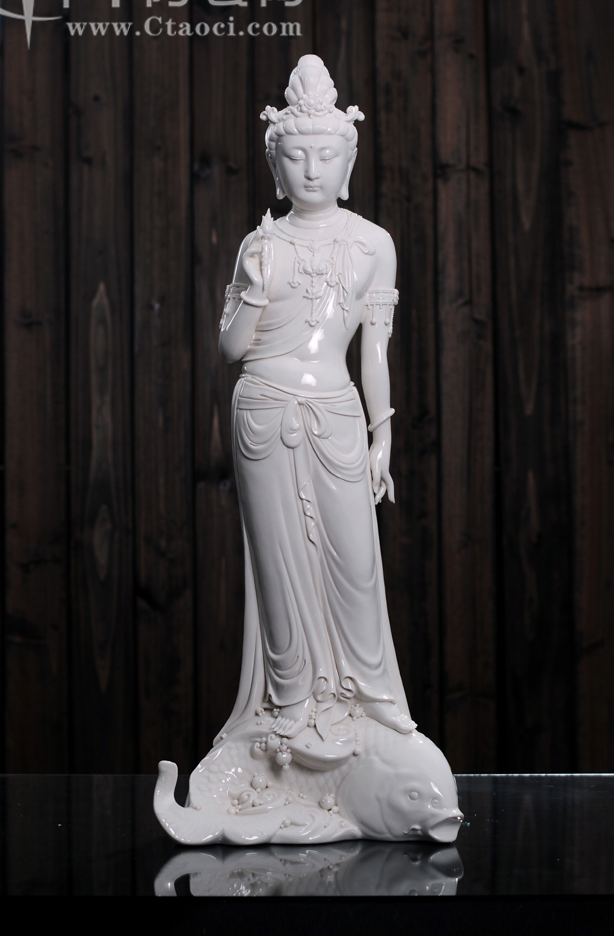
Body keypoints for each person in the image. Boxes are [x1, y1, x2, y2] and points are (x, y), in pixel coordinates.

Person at [217, 55, 416, 749]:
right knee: (278, 563)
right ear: (275, 166)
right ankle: (291, 698)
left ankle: (373, 694)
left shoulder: (372, 244)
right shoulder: (258, 245)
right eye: (295, 156)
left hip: (337, 411)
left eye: (326, 155)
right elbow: (231, 348)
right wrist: (252, 287)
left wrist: (383, 437)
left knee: (355, 564)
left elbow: (374, 353)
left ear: (348, 161)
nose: (310, 170)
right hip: (263, 410)